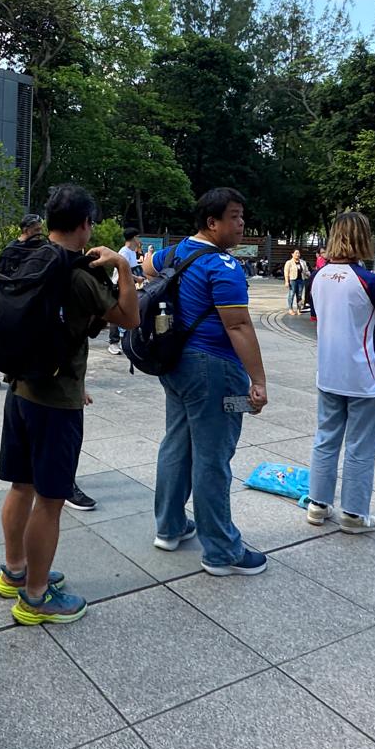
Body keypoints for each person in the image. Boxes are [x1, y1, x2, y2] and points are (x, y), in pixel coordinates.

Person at [0, 184, 137, 625]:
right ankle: (36, 597)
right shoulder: (78, 274)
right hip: (56, 400)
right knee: (51, 500)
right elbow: (128, 318)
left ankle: (15, 572)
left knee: (21, 486)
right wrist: (122, 269)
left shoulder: (25, 255)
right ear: (85, 225)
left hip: (19, 390)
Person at [143, 188, 269, 576]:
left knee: (177, 444)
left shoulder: (179, 251)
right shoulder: (224, 268)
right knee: (213, 457)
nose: (241, 223)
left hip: (176, 365)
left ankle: (170, 527)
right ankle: (222, 551)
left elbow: (148, 266)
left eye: (242, 215)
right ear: (212, 223)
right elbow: (239, 325)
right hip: (215, 371)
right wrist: (258, 380)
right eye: (234, 216)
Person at [304, 211, 375, 534]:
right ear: (364, 238)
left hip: (329, 372)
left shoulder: (317, 277)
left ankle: (317, 504)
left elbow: (318, 320)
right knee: (361, 445)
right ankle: (354, 512)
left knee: (326, 439)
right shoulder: (371, 281)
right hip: (365, 375)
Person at [0, 213, 44, 391]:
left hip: (28, 300)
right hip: (7, 300)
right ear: (26, 230)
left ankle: (13, 371)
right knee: (1, 337)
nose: (40, 233)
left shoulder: (40, 248)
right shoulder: (11, 250)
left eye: (41, 230)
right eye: (36, 230)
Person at [106, 228, 143, 356]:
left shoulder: (132, 253)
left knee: (127, 312)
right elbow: (122, 271)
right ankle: (113, 342)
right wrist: (137, 278)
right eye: (138, 236)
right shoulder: (124, 252)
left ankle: (125, 341)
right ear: (134, 238)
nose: (139, 240)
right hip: (119, 285)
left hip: (128, 285)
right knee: (117, 313)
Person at [284, 249, 305, 315]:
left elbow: (306, 270)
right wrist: (287, 281)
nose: (298, 254)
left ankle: (299, 309)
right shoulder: (289, 262)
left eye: (298, 253)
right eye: (296, 253)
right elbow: (286, 272)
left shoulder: (302, 262)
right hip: (293, 280)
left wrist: (308, 273)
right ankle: (290, 309)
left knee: (299, 295)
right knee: (292, 294)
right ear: (292, 254)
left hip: (301, 280)